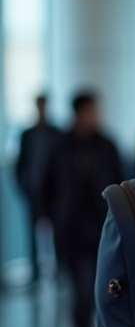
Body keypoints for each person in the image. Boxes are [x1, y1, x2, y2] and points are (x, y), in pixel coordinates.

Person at [41, 92, 124, 327]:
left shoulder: (107, 146)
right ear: (79, 113)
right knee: (79, 291)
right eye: (90, 111)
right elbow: (48, 184)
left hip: (102, 230)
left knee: (96, 290)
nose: (95, 116)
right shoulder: (60, 147)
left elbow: (122, 183)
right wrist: (48, 215)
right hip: (70, 231)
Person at [15, 94, 62, 275]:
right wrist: (22, 186)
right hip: (33, 190)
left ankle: (59, 268)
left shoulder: (56, 133)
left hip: (53, 191)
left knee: (57, 230)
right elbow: (21, 164)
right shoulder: (27, 134)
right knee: (31, 232)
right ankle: (35, 271)